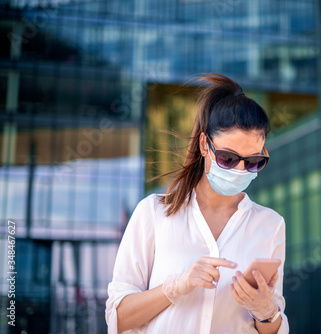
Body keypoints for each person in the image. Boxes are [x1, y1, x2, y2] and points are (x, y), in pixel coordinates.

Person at [105, 73, 289, 334]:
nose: (239, 170)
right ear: (204, 145)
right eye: (227, 158)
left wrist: (266, 312)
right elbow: (117, 319)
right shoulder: (154, 213)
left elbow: (272, 328)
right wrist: (177, 286)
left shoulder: (270, 224)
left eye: (252, 162)